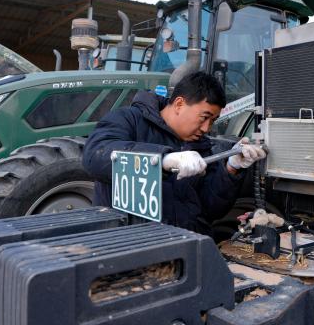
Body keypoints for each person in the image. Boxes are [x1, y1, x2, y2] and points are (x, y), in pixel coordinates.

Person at [82, 71, 266, 235]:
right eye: (204, 117)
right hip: (128, 243)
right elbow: (95, 155)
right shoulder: (129, 120)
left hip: (182, 247)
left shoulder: (200, 145)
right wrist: (162, 159)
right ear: (179, 104)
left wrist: (230, 169)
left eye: (212, 121)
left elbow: (211, 209)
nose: (206, 128)